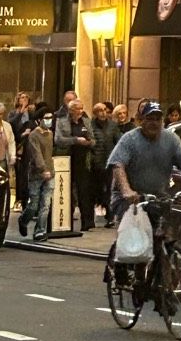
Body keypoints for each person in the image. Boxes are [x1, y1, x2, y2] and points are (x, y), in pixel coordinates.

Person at [107, 101, 181, 238]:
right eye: (150, 119)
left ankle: (166, 255)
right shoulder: (129, 139)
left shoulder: (170, 139)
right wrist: (126, 190)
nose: (154, 123)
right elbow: (118, 165)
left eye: (158, 119)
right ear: (141, 120)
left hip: (159, 197)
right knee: (133, 244)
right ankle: (123, 256)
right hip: (130, 199)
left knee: (167, 235)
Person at [54, 94, 96, 233]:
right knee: (67, 191)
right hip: (67, 159)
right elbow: (59, 140)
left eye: (81, 108)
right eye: (77, 109)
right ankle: (65, 220)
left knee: (84, 191)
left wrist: (89, 142)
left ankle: (87, 222)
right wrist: (75, 140)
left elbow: (93, 139)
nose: (80, 111)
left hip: (83, 160)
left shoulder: (86, 121)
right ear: (71, 110)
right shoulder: (62, 121)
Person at [21, 104, 55, 241]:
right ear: (39, 120)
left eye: (51, 118)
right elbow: (37, 154)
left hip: (50, 172)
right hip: (37, 173)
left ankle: (40, 231)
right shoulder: (34, 135)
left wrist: (50, 170)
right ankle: (23, 220)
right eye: (46, 118)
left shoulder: (50, 134)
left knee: (46, 204)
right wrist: (43, 169)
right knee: (33, 204)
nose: (49, 120)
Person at [89, 101, 123, 224]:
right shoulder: (90, 125)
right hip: (95, 163)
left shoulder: (112, 126)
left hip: (109, 162)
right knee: (95, 190)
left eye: (104, 110)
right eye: (100, 111)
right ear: (95, 113)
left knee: (109, 189)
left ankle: (109, 216)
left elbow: (119, 141)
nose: (103, 113)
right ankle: (91, 216)